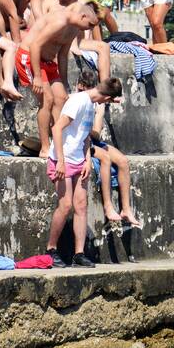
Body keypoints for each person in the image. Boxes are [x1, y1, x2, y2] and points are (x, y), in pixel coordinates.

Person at [45, 70, 123, 268]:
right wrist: (61, 162)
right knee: (65, 207)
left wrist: (87, 160)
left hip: (79, 160)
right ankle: (51, 249)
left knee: (81, 206)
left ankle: (78, 254)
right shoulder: (79, 102)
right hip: (62, 159)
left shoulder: (91, 103)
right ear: (106, 97)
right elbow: (56, 129)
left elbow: (85, 136)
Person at [18, 0, 100, 155]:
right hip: (30, 56)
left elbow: (62, 55)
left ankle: (59, 142)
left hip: (48, 61)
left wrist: (63, 82)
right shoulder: (59, 20)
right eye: (90, 24)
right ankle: (45, 147)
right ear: (83, 16)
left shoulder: (74, 28)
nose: (90, 29)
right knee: (47, 100)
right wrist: (38, 78)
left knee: (62, 98)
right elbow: (35, 45)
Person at [87, 76, 141, 227]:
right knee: (105, 159)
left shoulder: (99, 104)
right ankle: (108, 206)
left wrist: (88, 127)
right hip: (80, 142)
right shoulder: (80, 100)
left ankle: (126, 209)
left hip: (92, 139)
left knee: (123, 161)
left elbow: (96, 133)